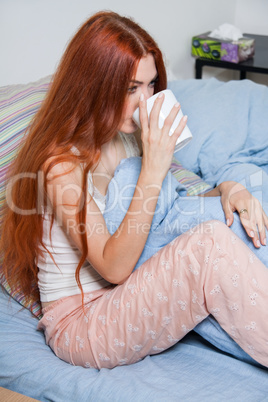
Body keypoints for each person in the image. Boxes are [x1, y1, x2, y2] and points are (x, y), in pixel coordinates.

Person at [1, 11, 268, 370]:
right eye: (130, 88)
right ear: (94, 86)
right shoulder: (60, 166)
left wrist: (228, 189)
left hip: (125, 295)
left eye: (151, 84)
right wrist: (155, 165)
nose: (146, 101)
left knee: (239, 217)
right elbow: (114, 268)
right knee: (209, 246)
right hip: (84, 323)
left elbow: (170, 207)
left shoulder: (126, 139)